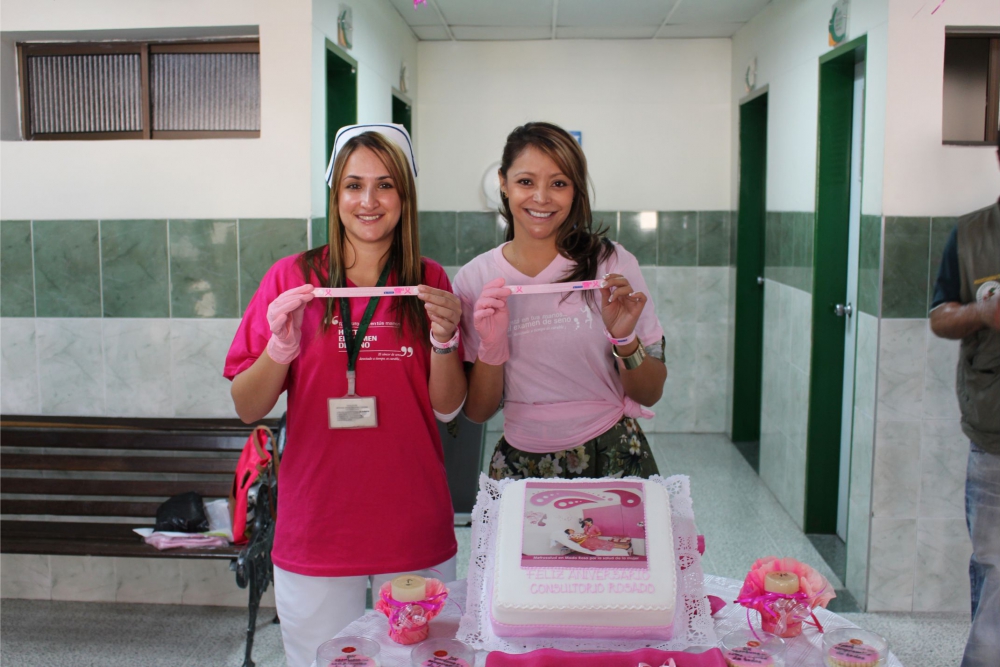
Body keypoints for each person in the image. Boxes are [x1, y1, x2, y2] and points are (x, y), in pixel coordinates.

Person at [224, 124, 467, 667]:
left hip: (411, 522)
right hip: (318, 525)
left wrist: (445, 341)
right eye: (353, 185)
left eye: (385, 185)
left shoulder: (428, 282)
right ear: (335, 195)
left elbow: (449, 407)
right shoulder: (292, 281)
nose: (369, 201)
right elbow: (246, 406)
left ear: (405, 196)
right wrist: (280, 350)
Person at [453, 122, 667, 481]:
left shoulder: (611, 264)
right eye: (525, 182)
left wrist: (624, 340)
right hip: (519, 463)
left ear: (575, 190)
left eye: (559, 183)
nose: (541, 197)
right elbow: (477, 412)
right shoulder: (476, 280)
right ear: (503, 183)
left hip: (612, 455)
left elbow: (651, 393)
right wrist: (492, 347)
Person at [928, 136, 1000, 667]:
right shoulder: (973, 234)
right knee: (993, 564)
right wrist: (980, 313)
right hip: (993, 433)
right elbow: (938, 316)